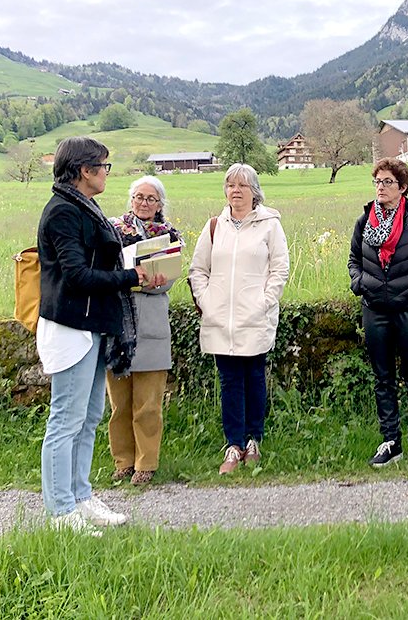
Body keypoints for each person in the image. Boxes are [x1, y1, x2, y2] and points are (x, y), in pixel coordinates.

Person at [36, 136, 165, 534]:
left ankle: (81, 497)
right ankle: (61, 512)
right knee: (66, 420)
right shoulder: (62, 212)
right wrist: (131, 277)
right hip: (71, 327)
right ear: (84, 170)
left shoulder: (84, 207)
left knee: (89, 417)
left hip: (92, 326)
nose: (107, 173)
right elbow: (76, 275)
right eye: (103, 166)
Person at [188, 163, 289, 475]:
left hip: (255, 317)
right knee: (229, 381)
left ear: (254, 191)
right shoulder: (214, 227)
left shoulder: (269, 225)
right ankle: (233, 444)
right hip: (221, 319)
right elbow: (198, 269)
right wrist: (206, 301)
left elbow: (280, 269)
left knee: (254, 378)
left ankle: (253, 440)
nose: (236, 191)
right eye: (231, 185)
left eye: (242, 186)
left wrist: (264, 302)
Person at [349, 158, 408, 469]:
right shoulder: (364, 223)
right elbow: (353, 260)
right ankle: (391, 441)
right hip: (374, 309)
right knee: (383, 379)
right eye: (377, 181)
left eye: (388, 181)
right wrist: (360, 283)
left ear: (403, 187)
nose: (381, 187)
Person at [107, 176, 182, 486]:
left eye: (151, 198)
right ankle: (123, 461)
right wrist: (133, 279)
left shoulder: (169, 236)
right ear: (131, 199)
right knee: (119, 405)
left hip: (152, 327)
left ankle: (146, 463)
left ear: (160, 203)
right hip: (117, 327)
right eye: (139, 196)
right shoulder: (112, 231)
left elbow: (167, 280)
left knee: (148, 405)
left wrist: (132, 281)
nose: (144, 203)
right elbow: (104, 273)